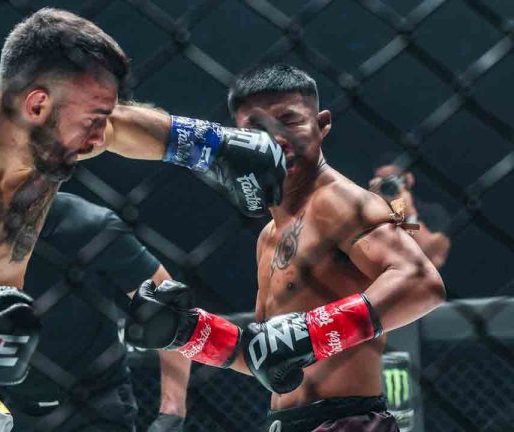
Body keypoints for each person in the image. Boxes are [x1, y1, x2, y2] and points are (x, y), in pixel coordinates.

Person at [0, 8, 285, 431]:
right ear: (37, 105)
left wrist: (216, 146)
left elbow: (129, 126)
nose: (101, 137)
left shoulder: (51, 145)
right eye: (94, 120)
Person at [125, 64, 446, 432]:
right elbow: (266, 356)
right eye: (257, 131)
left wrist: (311, 333)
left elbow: (422, 282)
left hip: (348, 422)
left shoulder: (337, 201)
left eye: (290, 121)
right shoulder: (268, 235)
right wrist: (189, 332)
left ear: (322, 125)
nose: (276, 140)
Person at [0, 192, 191, 431]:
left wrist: (172, 411)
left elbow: (172, 306)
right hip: (12, 404)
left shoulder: (87, 225)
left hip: (95, 405)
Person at [369, 156, 451, 268]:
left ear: (408, 179)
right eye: (383, 181)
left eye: (391, 179)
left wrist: (409, 215)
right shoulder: (373, 211)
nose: (388, 186)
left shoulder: (432, 212)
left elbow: (432, 257)